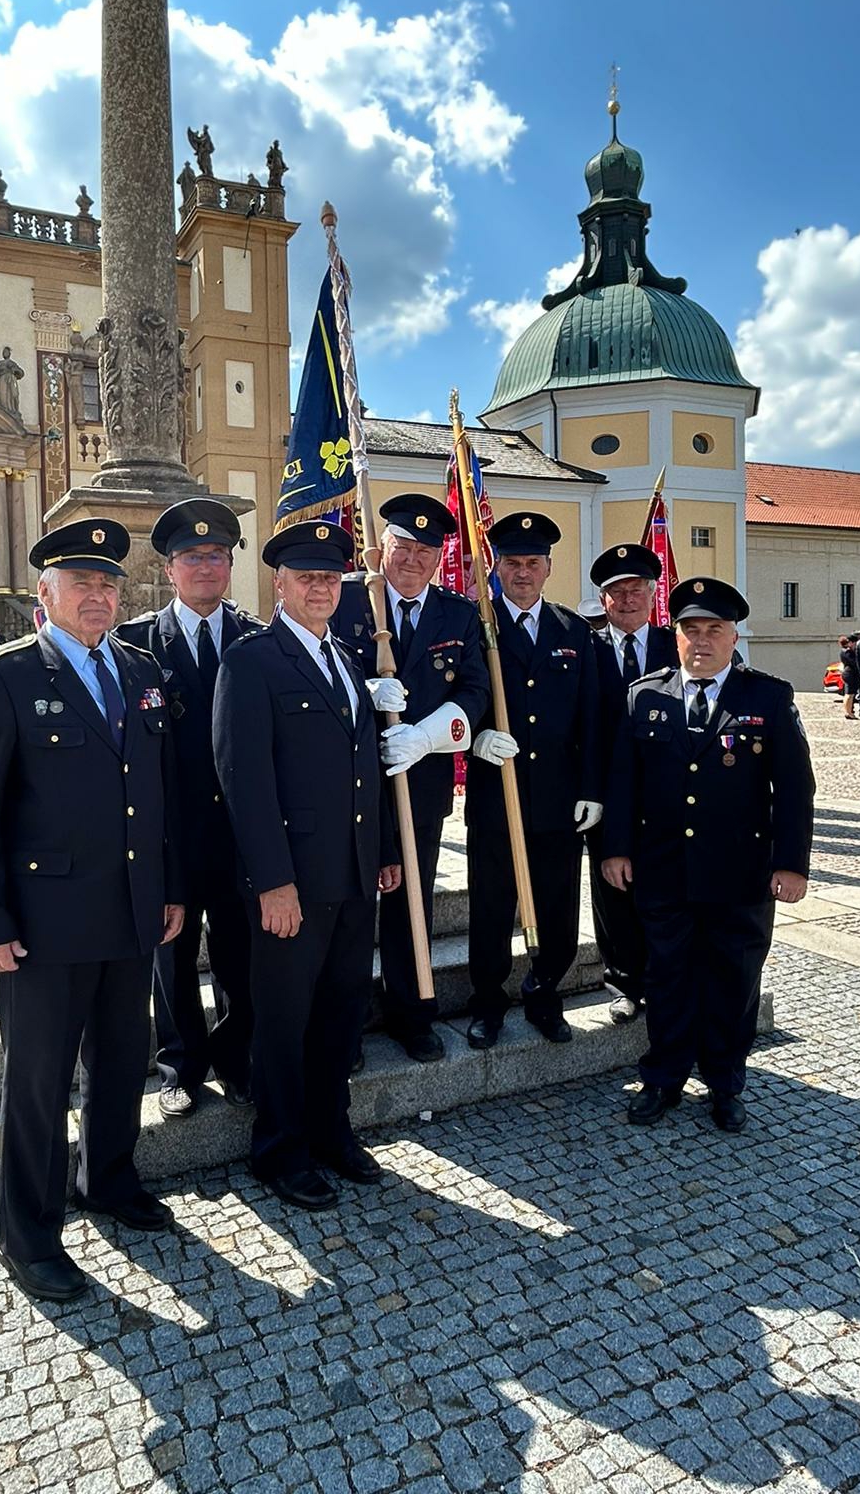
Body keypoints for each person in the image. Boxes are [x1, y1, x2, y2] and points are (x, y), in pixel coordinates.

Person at [0, 518, 185, 1303]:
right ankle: (30, 1237)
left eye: (109, 584)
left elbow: (160, 799)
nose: (99, 596)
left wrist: (172, 888)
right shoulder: (7, 674)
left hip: (129, 912)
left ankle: (109, 1181)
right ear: (43, 596)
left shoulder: (143, 670)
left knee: (123, 1063)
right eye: (81, 584)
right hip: (45, 923)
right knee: (39, 1086)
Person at [213, 519, 401, 1211]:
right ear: (279, 585)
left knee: (340, 1014)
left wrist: (381, 853)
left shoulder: (347, 659)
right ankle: (280, 1151)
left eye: (331, 577)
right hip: (292, 882)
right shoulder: (251, 661)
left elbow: (364, 771)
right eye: (308, 577)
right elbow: (244, 779)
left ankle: (332, 1132)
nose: (322, 587)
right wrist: (273, 882)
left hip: (352, 877)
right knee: (284, 1021)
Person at [602, 576, 815, 1133]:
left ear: (733, 634)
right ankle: (664, 1077)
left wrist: (790, 863)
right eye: (690, 629)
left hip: (738, 871)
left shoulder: (767, 696)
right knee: (666, 975)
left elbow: (794, 787)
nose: (701, 640)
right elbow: (624, 781)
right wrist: (617, 850)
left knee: (733, 976)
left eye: (713, 629)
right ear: (675, 636)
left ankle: (725, 1082)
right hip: (664, 867)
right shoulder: (645, 695)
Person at [116, 499, 263, 1117]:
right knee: (170, 954)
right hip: (169, 834)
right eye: (191, 556)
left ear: (229, 566)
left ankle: (237, 1059)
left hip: (238, 834)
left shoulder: (258, 641)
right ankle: (178, 1064)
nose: (206, 565)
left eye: (217, 555)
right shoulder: (136, 644)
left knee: (238, 952)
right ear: (169, 569)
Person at [331, 494, 489, 1062]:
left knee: (411, 904)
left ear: (439, 556)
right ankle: (342, 1028)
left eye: (427, 550)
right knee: (350, 911)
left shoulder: (458, 614)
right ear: (383, 545)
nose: (413, 560)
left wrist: (427, 733)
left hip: (420, 786)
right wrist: (361, 689)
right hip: (347, 786)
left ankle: (411, 1014)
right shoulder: (346, 597)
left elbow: (474, 691)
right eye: (403, 546)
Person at [463, 513, 602, 1047]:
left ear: (549, 567)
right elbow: (464, 694)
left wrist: (591, 788)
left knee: (559, 905)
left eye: (532, 563)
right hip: (496, 795)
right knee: (492, 906)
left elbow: (591, 718)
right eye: (512, 562)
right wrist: (474, 736)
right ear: (496, 566)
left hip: (558, 799)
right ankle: (488, 1003)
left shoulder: (574, 631)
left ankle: (545, 993)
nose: (522, 573)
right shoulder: (478, 625)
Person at [588, 542, 680, 1024]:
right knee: (612, 890)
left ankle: (667, 980)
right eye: (616, 592)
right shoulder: (585, 646)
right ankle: (623, 982)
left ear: (652, 594)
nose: (627, 600)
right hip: (606, 793)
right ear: (603, 600)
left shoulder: (677, 645)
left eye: (636, 590)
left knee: (668, 891)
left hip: (669, 794)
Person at [838, 635, 860, 721]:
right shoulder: (847, 652)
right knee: (850, 694)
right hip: (850, 673)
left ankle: (848, 711)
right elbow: (854, 662)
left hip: (848, 672)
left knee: (849, 693)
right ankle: (848, 712)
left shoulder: (845, 651)